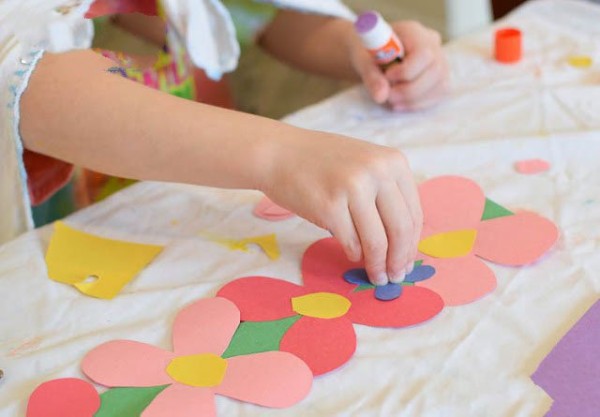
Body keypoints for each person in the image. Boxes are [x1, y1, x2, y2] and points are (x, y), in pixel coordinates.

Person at [1, 0, 448, 285]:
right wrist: (280, 154)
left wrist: (354, 44)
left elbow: (260, 13)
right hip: (64, 241)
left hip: (191, 213)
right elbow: (26, 82)